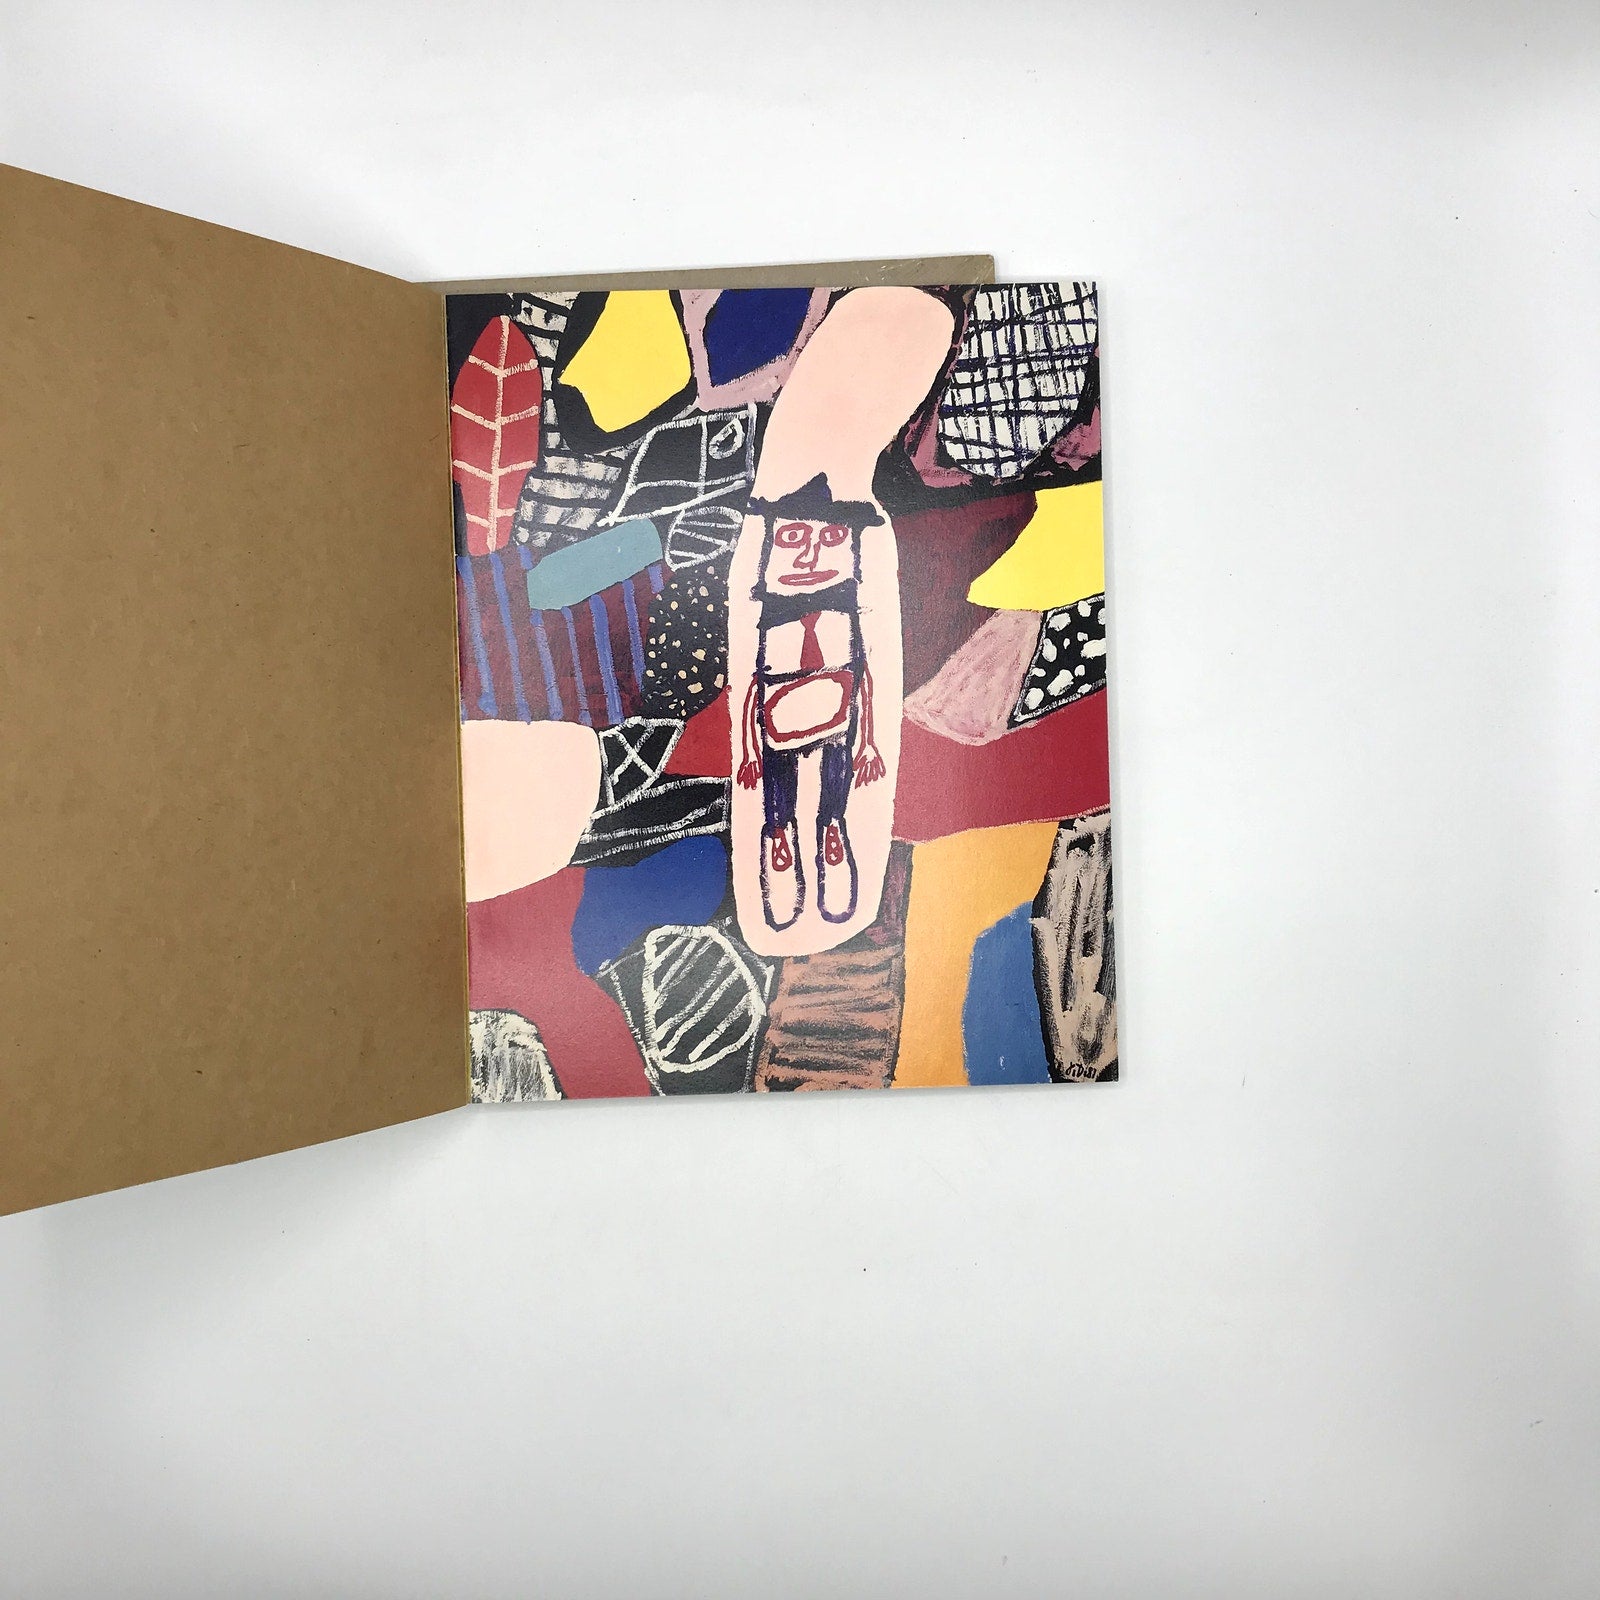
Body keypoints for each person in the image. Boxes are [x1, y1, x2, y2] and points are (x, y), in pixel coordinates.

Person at [736, 473, 886, 930]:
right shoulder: (772, 626)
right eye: (793, 538)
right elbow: (755, 688)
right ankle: (780, 840)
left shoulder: (845, 623)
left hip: (836, 713)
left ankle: (832, 833)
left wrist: (869, 743)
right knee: (779, 785)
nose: (809, 556)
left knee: (834, 775)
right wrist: (749, 751)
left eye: (831, 539)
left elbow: (862, 680)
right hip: (779, 719)